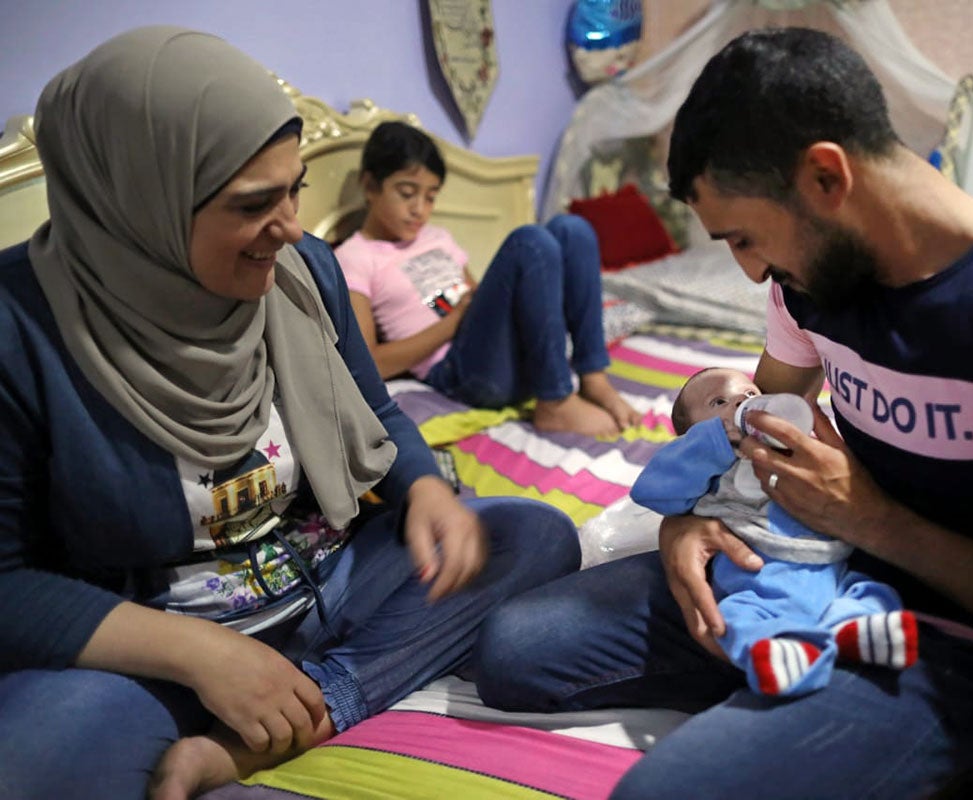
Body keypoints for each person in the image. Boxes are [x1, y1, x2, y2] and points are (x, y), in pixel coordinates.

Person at [473, 26, 973, 798]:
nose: (753, 275)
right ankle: (788, 694)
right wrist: (689, 522)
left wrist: (876, 523)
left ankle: (839, 720)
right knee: (517, 648)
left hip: (957, 640)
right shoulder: (808, 284)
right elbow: (748, 440)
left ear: (824, 176)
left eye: (745, 238)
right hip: (806, 574)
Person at [0, 27, 582, 800]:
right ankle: (264, 705)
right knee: (38, 759)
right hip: (162, 648)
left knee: (532, 536)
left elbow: (375, 409)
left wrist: (424, 489)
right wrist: (202, 657)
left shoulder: (304, 270)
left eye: (295, 189)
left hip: (335, 576)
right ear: (140, 204)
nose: (288, 226)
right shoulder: (19, 328)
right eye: (252, 204)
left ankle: (303, 712)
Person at [334, 121, 639, 437]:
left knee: (571, 230)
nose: (420, 210)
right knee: (529, 242)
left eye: (430, 197)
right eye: (407, 193)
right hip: (459, 370)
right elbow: (369, 364)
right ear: (370, 185)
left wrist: (473, 309)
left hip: (496, 349)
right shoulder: (354, 257)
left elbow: (483, 300)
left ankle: (593, 378)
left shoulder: (437, 236)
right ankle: (556, 401)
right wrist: (454, 321)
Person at [631, 367, 917, 696]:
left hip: (830, 568)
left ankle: (855, 630)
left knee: (869, 592)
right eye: (719, 401)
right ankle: (785, 656)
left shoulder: (791, 447)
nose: (741, 400)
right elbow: (652, 490)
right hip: (759, 582)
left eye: (751, 394)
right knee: (734, 619)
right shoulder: (703, 462)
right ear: (691, 434)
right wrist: (710, 443)